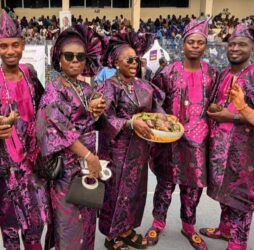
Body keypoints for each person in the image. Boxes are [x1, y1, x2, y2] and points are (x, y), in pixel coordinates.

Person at [0, 11, 47, 250]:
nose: (10, 51)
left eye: (15, 45)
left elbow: (45, 107)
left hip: (33, 163)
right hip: (4, 170)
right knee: (11, 229)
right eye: (4, 46)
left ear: (23, 45)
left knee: (36, 225)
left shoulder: (30, 74)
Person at [145, 19, 218, 250]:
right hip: (171, 143)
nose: (195, 46)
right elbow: (154, 102)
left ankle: (189, 227)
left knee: (193, 189)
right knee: (165, 186)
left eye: (200, 42)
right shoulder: (168, 72)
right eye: (191, 42)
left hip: (199, 144)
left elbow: (216, 105)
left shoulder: (212, 75)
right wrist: (163, 122)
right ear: (183, 44)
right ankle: (157, 223)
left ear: (205, 46)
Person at [36, 25, 106, 250]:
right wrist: (89, 156)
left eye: (80, 56)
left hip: (86, 165)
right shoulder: (53, 91)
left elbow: (93, 119)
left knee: (86, 218)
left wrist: (97, 111)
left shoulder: (84, 89)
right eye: (69, 56)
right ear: (59, 59)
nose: (75, 61)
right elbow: (60, 131)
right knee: (68, 223)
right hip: (66, 170)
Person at [98, 32, 162, 250]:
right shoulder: (109, 86)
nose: (135, 63)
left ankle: (127, 229)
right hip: (116, 151)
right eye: (129, 60)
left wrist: (163, 119)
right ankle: (111, 237)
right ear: (116, 63)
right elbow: (104, 117)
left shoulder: (143, 85)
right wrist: (129, 123)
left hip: (139, 150)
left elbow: (156, 109)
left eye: (137, 59)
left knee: (135, 192)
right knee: (115, 193)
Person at [200, 23, 254, 250]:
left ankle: (237, 243)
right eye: (231, 44)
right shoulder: (223, 73)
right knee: (224, 191)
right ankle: (224, 229)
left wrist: (230, 116)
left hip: (244, 150)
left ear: (252, 48)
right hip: (220, 145)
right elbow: (218, 104)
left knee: (241, 198)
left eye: (241, 44)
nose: (234, 48)